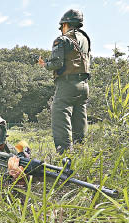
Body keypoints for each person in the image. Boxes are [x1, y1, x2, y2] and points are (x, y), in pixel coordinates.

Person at [38, 9, 91, 154]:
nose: (61, 30)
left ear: (66, 24)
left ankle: (64, 156)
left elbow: (57, 64)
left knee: (60, 119)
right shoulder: (85, 39)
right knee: (80, 120)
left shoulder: (62, 39)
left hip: (67, 84)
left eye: (61, 27)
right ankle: (80, 153)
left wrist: (45, 65)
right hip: (84, 85)